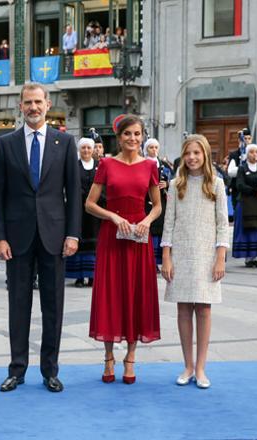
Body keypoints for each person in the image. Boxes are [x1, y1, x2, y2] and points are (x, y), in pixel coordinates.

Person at [0, 83, 81, 393]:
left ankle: (50, 371)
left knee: (53, 306)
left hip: (55, 237)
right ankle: (17, 370)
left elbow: (73, 193)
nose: (33, 107)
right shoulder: (5, 144)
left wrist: (73, 234)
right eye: (28, 102)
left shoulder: (65, 142)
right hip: (16, 240)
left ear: (48, 104)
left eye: (38, 102)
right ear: (20, 106)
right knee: (18, 305)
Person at [86, 116, 161, 385]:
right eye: (127, 134)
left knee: (135, 294)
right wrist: (112, 217)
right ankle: (108, 358)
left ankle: (130, 358)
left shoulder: (151, 166)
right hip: (112, 238)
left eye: (137, 134)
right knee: (111, 295)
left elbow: (157, 206)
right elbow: (90, 204)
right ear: (119, 137)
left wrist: (146, 221)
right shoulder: (106, 164)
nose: (133, 138)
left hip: (139, 239)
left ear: (142, 136)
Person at [161, 134, 229, 389]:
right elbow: (168, 224)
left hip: (207, 255)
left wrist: (220, 257)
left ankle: (201, 367)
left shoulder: (217, 184)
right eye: (188, 153)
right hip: (181, 254)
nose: (191, 157)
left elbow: (223, 224)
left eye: (196, 153)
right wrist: (166, 257)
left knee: (204, 309)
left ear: (205, 155)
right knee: (182, 309)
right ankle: (187, 365)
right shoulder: (176, 183)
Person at [66, 138, 100, 287]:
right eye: (83, 148)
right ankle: (79, 276)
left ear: (93, 150)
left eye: (88, 148)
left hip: (95, 212)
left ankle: (92, 276)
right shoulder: (74, 166)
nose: (86, 150)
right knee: (78, 240)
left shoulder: (100, 166)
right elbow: (70, 185)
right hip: (78, 209)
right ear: (79, 150)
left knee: (94, 244)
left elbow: (104, 186)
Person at [232, 144, 257, 267]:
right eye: (251, 152)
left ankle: (255, 257)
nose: (254, 154)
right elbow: (240, 185)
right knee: (248, 230)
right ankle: (248, 257)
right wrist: (255, 192)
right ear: (247, 154)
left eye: (256, 152)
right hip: (246, 203)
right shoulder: (242, 169)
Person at [143, 138, 172, 269]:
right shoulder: (142, 164)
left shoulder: (164, 165)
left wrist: (167, 184)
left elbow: (172, 181)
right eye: (151, 147)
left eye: (156, 147)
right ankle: (149, 261)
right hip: (146, 202)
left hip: (161, 201)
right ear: (146, 149)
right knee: (150, 231)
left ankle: (159, 260)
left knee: (160, 230)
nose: (154, 150)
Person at [227, 128, 252, 210]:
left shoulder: (256, 153)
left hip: (251, 189)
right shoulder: (234, 154)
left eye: (249, 138)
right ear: (239, 140)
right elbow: (230, 172)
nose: (247, 141)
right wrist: (246, 169)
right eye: (245, 139)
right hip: (238, 190)